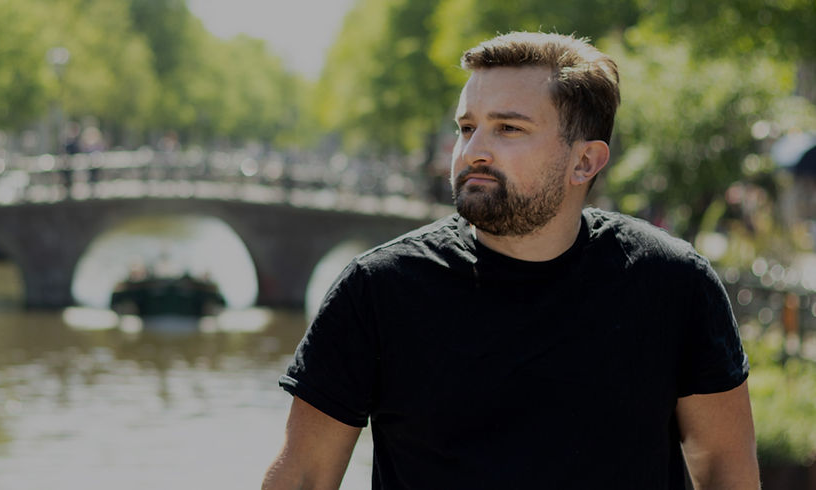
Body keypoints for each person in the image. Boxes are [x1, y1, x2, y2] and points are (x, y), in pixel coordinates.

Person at [262, 32, 759, 490]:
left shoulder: (673, 283)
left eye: (508, 129)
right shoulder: (377, 289)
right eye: (466, 127)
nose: (473, 151)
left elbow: (725, 470)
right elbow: (303, 476)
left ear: (584, 161)